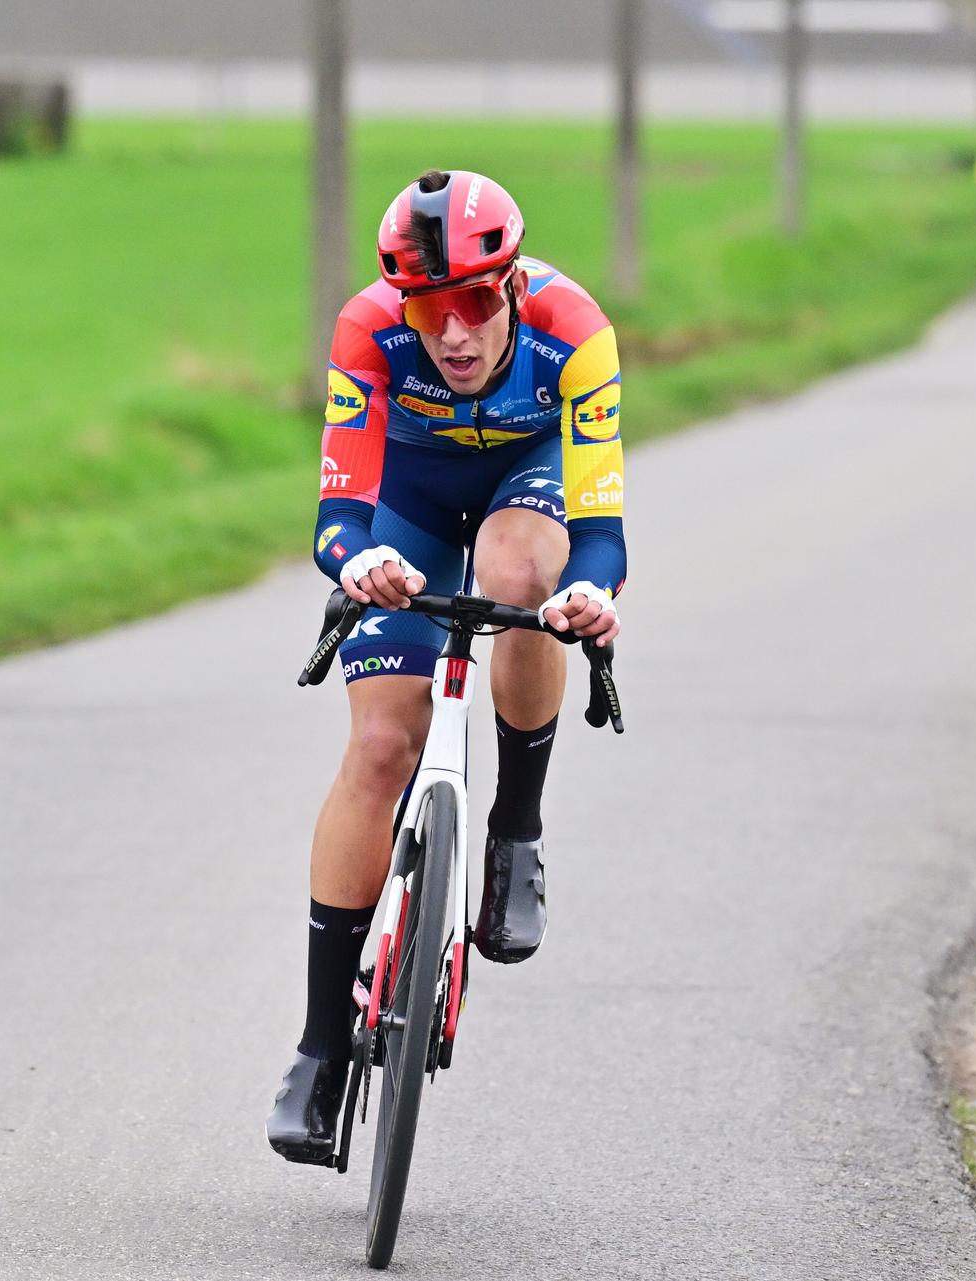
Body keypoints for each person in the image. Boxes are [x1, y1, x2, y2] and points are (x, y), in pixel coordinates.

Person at [266, 170, 628, 1165]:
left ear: (511, 288)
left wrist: (590, 597)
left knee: (521, 579)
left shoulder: (575, 331)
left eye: (474, 304)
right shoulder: (367, 331)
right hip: (412, 501)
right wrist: (361, 561)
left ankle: (513, 833)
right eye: (431, 312)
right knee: (382, 743)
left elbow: (601, 533)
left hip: (527, 479)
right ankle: (319, 1051)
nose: (454, 336)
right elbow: (339, 511)